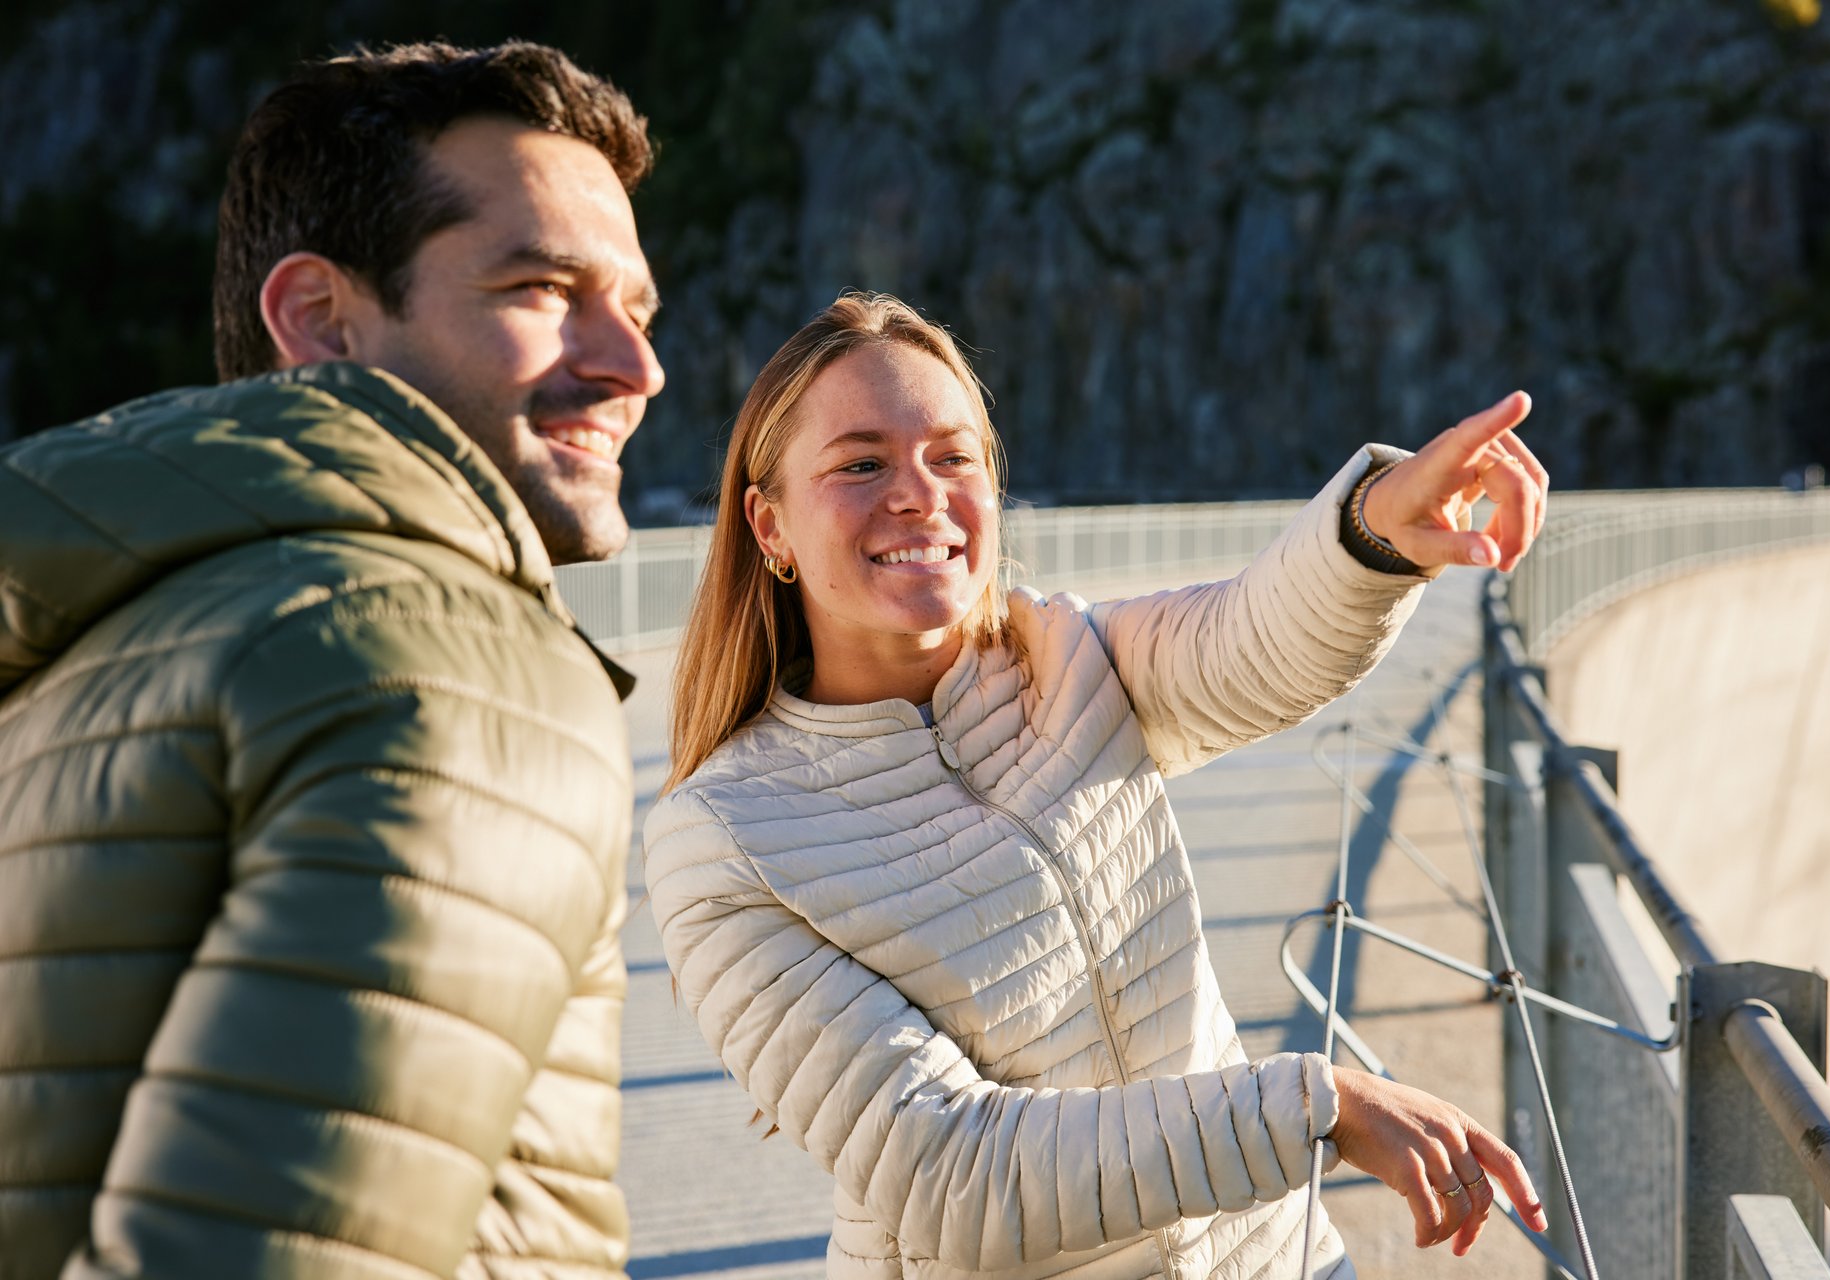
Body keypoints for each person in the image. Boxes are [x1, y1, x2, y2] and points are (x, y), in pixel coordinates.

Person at [645, 293, 1552, 1280]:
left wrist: (1380, 526)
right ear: (768, 523)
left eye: (953, 456)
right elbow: (957, 1175)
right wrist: (1314, 1105)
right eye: (861, 462)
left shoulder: (1063, 651)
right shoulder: (725, 838)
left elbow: (1255, 639)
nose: (919, 493)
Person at [0, 42, 663, 1280]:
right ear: (321, 319)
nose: (635, 368)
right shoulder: (449, 669)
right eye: (539, 287)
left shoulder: (94, 644)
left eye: (636, 309)